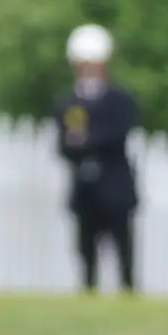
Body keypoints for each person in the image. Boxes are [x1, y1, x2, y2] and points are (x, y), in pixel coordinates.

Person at [56, 25, 142, 291]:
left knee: (123, 249)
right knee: (85, 249)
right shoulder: (68, 102)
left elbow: (117, 134)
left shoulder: (121, 101)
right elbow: (64, 145)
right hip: (85, 190)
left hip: (115, 189)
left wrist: (87, 141)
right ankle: (88, 289)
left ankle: (128, 290)